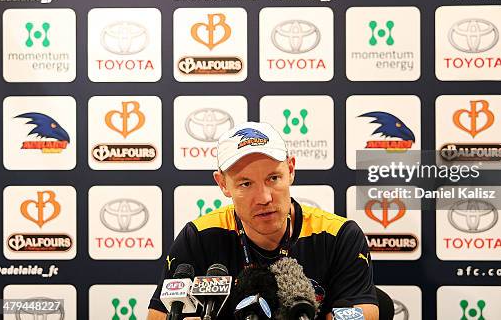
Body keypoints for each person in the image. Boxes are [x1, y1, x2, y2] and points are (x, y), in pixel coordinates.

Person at [147, 122, 379, 319]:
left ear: (291, 170)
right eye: (245, 184)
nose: (264, 198)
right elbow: (158, 315)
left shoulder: (339, 235)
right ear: (222, 184)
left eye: (273, 178)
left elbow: (362, 312)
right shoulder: (198, 237)